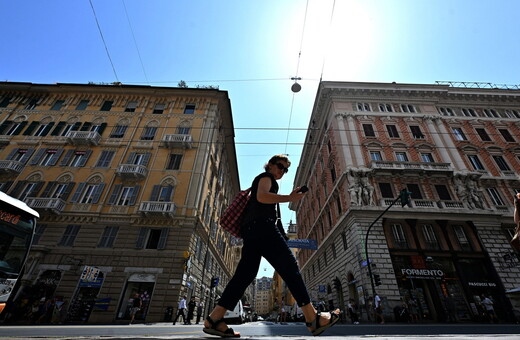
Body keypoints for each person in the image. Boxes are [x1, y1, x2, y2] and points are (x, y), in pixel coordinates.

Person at [202, 155, 341, 338]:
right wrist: (290, 197)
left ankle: (214, 319)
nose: (282, 171)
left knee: (244, 275)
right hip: (262, 227)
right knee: (290, 267)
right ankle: (312, 318)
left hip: (252, 231)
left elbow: (263, 202)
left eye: (285, 169)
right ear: (270, 165)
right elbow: (261, 197)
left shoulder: (266, 181)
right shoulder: (265, 178)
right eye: (280, 166)